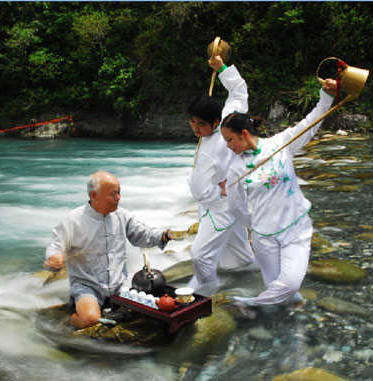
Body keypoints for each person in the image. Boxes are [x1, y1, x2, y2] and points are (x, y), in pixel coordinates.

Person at [220, 78, 338, 307]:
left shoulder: (280, 144)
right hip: (264, 238)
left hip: (296, 229)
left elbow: (311, 123)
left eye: (230, 139)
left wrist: (327, 97)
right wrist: (256, 223)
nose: (228, 146)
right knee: (276, 287)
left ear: (244, 134)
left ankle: (246, 303)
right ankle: (289, 318)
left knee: (290, 283)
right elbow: (235, 206)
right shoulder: (235, 169)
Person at [45, 170, 172, 328]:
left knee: (151, 312)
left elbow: (142, 234)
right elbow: (56, 245)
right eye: (113, 194)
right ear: (94, 195)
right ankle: (68, 320)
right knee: (90, 320)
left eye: (119, 193)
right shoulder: (73, 220)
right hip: (87, 286)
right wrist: (55, 257)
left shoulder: (122, 216)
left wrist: (164, 235)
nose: (118, 198)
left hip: (119, 285)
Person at [186, 54, 255, 296]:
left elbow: (199, 190)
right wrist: (222, 68)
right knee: (237, 255)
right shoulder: (226, 122)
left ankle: (205, 291)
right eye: (192, 122)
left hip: (220, 206)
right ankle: (256, 280)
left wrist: (219, 193)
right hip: (228, 200)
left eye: (201, 124)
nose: (196, 128)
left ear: (216, 121)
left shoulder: (215, 143)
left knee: (200, 254)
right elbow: (238, 91)